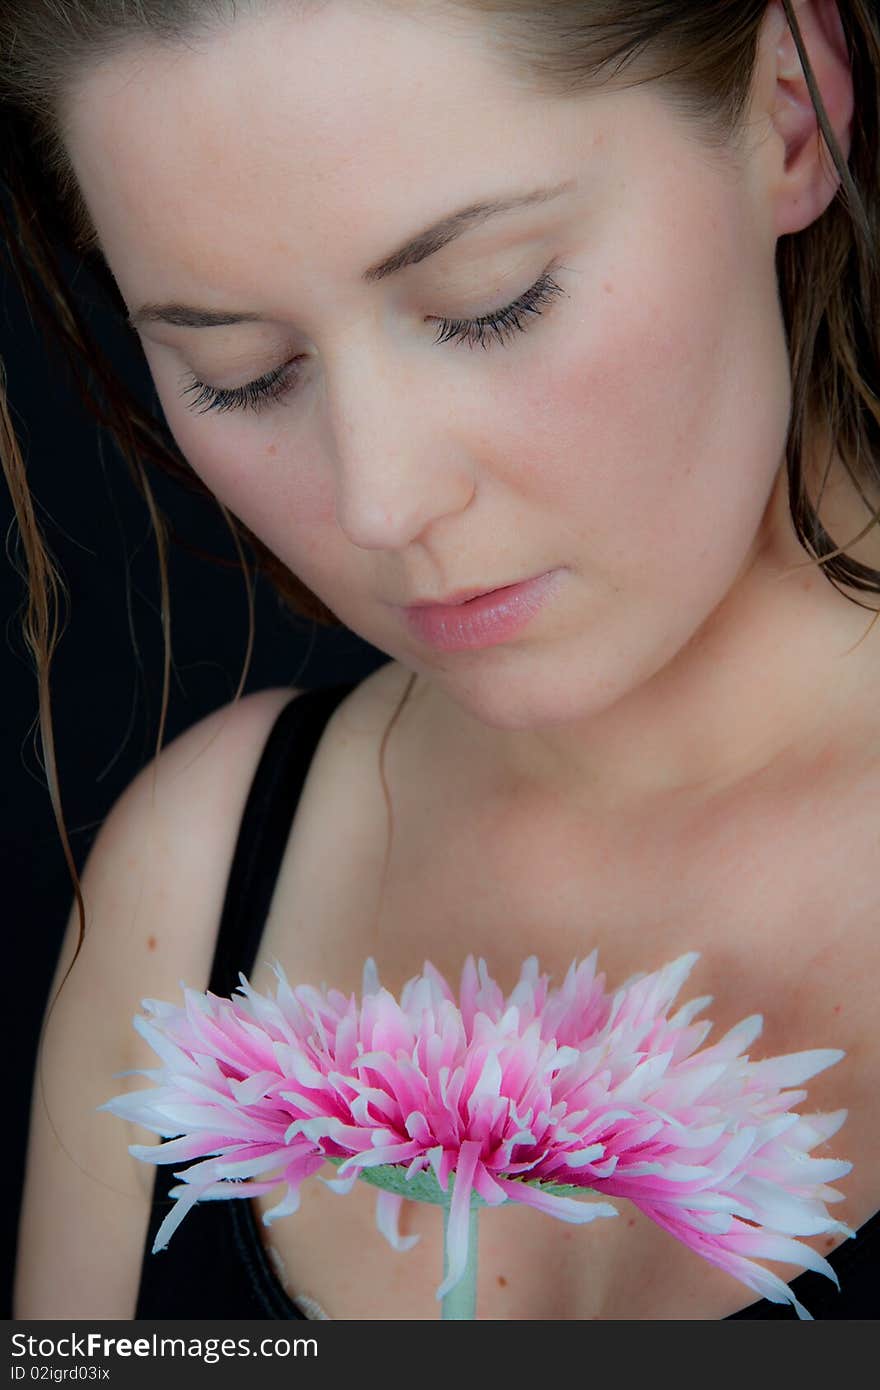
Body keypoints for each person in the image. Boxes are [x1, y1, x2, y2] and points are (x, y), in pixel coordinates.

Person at [5, 0, 880, 1320]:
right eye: (238, 372)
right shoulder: (189, 895)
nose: (380, 500)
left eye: (490, 302)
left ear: (788, 105)